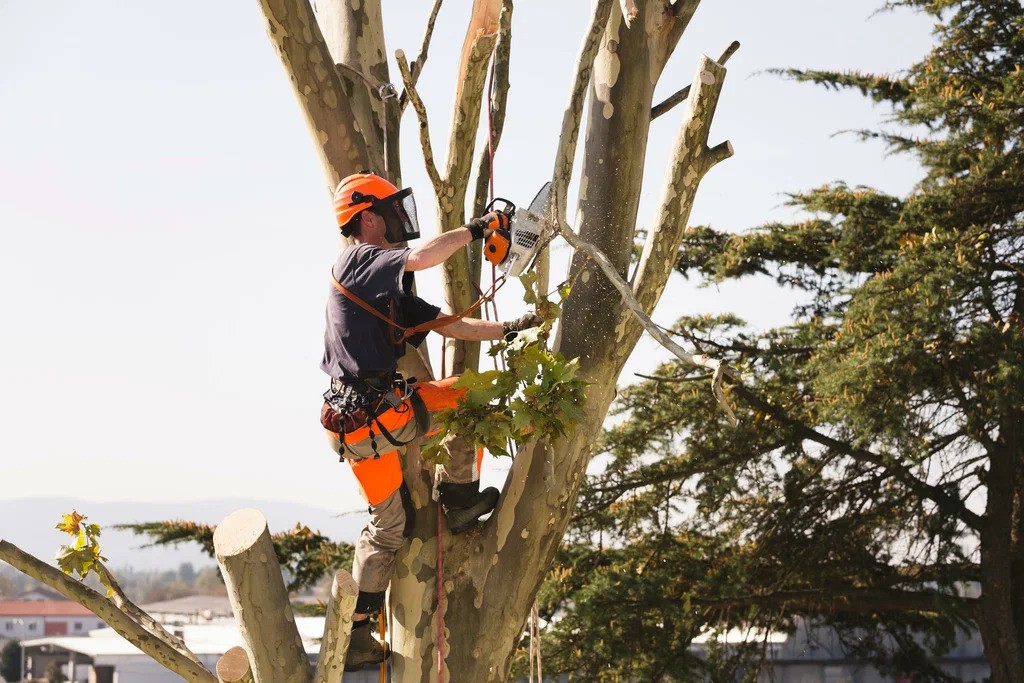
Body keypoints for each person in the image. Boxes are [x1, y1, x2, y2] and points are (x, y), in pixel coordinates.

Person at [318, 171, 541, 670]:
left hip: (352, 428)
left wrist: (512, 328)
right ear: (369, 217)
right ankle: (460, 497)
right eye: (392, 212)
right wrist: (478, 228)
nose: (400, 221)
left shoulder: (383, 288)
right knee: (469, 402)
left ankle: (355, 634)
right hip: (377, 413)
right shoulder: (359, 261)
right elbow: (419, 257)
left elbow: (450, 323)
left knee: (388, 525)